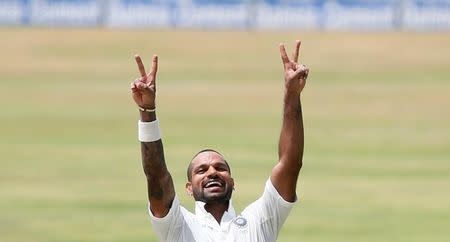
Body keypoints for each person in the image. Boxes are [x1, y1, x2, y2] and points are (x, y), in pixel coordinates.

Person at [130, 40, 309, 242]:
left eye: (220, 168)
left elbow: (290, 164)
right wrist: (147, 112)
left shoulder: (259, 220)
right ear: (188, 187)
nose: (212, 172)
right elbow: (156, 176)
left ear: (232, 183)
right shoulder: (178, 225)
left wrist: (292, 94)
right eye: (201, 170)